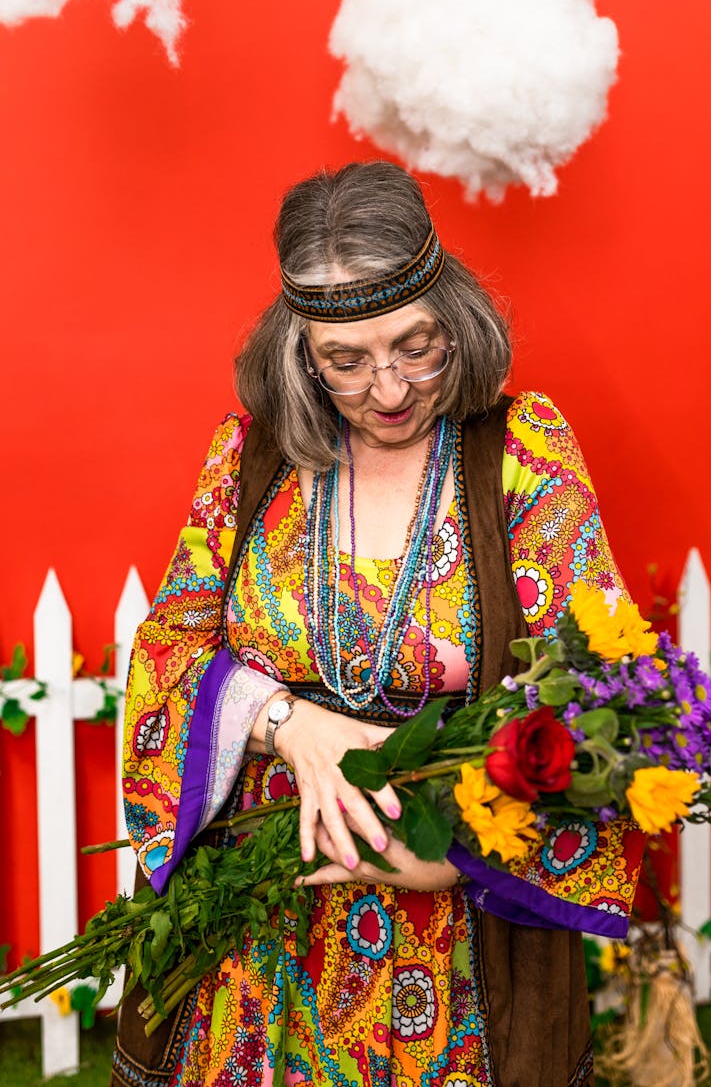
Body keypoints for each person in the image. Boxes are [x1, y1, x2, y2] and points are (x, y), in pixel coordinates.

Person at [112, 161, 628, 1087]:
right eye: (344, 361)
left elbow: (595, 687)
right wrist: (289, 723)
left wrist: (458, 859)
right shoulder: (251, 455)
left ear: (454, 320)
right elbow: (168, 654)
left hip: (457, 940)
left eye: (415, 346)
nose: (388, 388)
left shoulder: (523, 450)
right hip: (260, 926)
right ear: (297, 350)